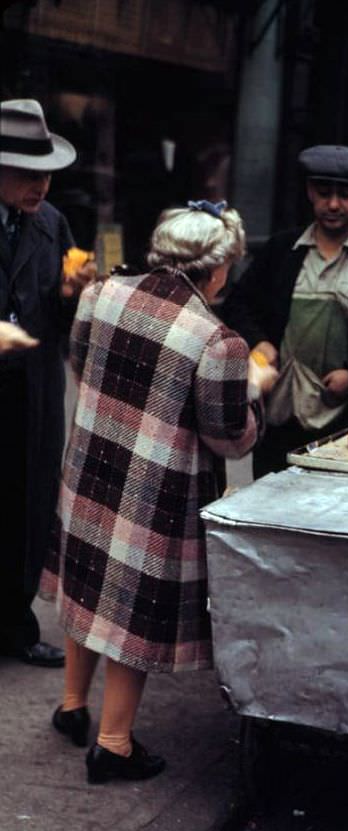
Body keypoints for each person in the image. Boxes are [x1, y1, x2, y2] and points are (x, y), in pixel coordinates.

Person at [40, 200, 277, 784]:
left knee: (88, 584)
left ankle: (72, 707)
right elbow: (229, 439)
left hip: (93, 465)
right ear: (217, 270)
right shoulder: (218, 341)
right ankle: (113, 745)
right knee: (127, 610)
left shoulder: (100, 294)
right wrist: (256, 389)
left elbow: (80, 365)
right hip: (154, 493)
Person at [221, 144, 348, 479]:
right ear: (310, 192)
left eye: (345, 194)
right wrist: (259, 342)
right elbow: (238, 304)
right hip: (281, 415)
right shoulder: (282, 250)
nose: (334, 204)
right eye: (324, 193)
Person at [0, 98, 95, 668]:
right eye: (28, 174)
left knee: (30, 505)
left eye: (47, 174)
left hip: (33, 389)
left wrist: (71, 296)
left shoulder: (52, 223)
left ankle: (15, 624)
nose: (41, 186)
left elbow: (64, 319)